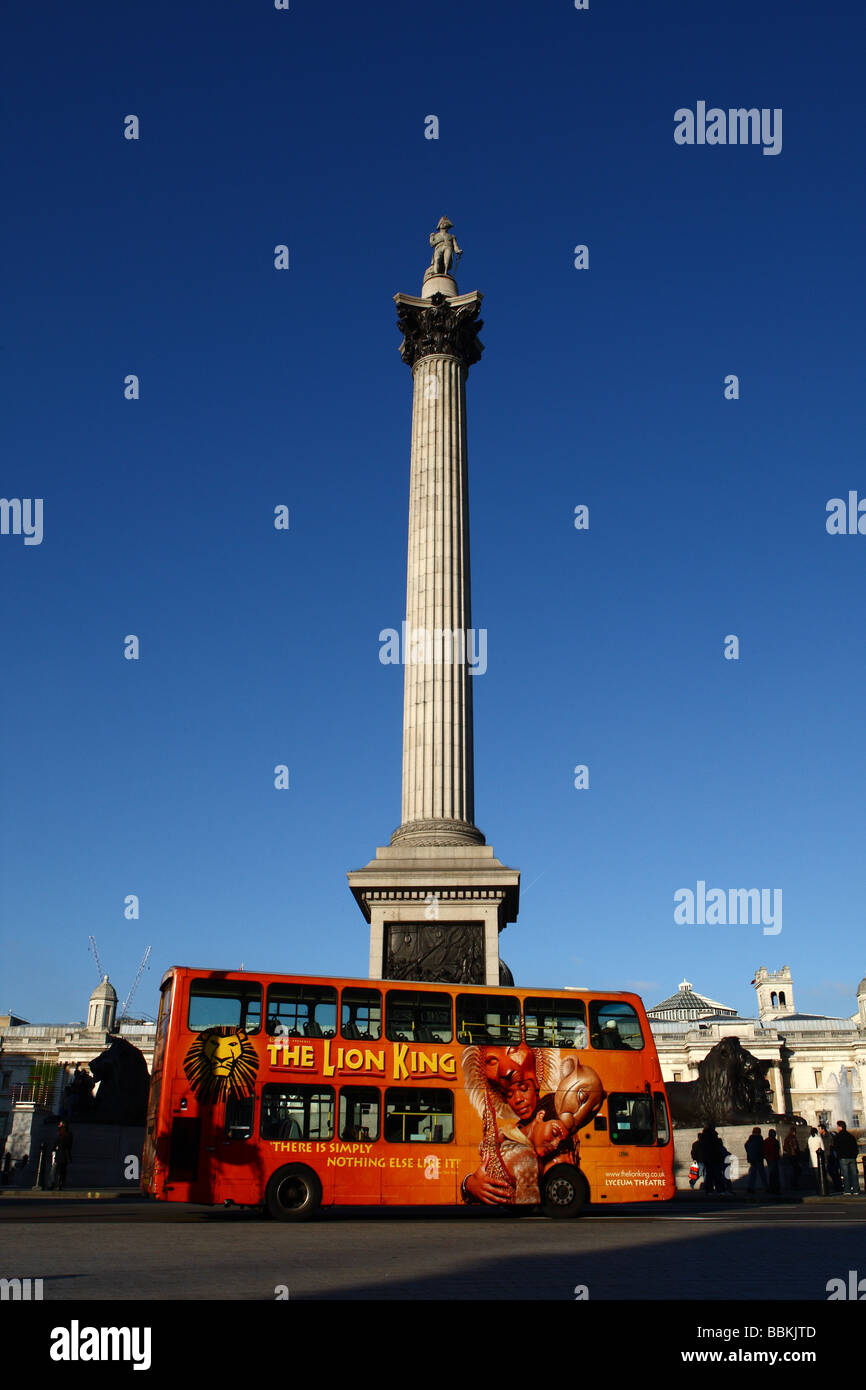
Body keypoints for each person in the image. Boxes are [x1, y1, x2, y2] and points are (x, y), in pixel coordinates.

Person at [833, 1121, 861, 1195]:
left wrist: (838, 1155)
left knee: (845, 1175)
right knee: (854, 1174)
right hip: (852, 1157)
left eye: (837, 1126)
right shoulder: (851, 1136)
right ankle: (856, 1190)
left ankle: (847, 1190)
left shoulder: (838, 1137)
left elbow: (836, 1147)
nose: (837, 1128)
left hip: (843, 1158)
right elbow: (855, 1147)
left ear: (840, 1127)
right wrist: (855, 1155)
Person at [699, 1126, 726, 1194]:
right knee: (717, 1175)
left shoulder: (703, 1139)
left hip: (708, 1159)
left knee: (709, 1175)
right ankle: (719, 1189)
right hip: (715, 1158)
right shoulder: (714, 1139)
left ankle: (709, 1189)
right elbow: (718, 1149)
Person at [819, 1123, 843, 1192]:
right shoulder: (821, 1136)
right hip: (825, 1155)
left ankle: (837, 1187)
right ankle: (832, 1186)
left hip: (830, 1155)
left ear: (823, 1129)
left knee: (833, 1172)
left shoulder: (828, 1136)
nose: (819, 1131)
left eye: (820, 1129)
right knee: (829, 1172)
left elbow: (830, 1145)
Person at [51, 1122, 73, 1190]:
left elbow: (55, 1144)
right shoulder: (69, 1134)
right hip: (65, 1155)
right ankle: (60, 1184)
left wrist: (54, 1148)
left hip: (59, 1155)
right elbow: (69, 1146)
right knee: (62, 1171)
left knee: (56, 1170)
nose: (58, 1125)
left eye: (60, 1124)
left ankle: (54, 1184)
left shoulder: (61, 1134)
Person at [745, 1126, 767, 1194]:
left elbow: (746, 1146)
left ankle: (750, 1187)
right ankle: (766, 1187)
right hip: (759, 1158)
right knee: (762, 1174)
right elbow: (762, 1148)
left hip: (752, 1159)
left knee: (752, 1174)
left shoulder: (750, 1139)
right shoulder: (759, 1139)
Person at [763, 1128, 781, 1194]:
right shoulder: (774, 1141)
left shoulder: (766, 1141)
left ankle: (772, 1188)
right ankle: (775, 1188)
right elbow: (777, 1150)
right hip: (773, 1158)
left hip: (769, 1158)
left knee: (772, 1174)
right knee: (774, 1174)